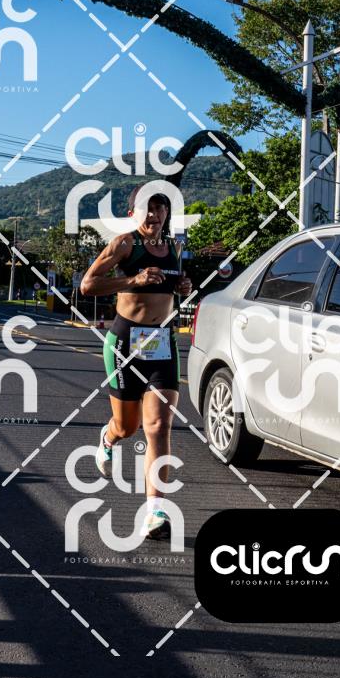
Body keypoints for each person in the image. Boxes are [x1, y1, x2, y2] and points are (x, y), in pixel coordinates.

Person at [80, 187, 192, 541]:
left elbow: (170, 288)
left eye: (160, 208)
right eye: (147, 209)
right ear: (133, 214)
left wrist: (182, 286)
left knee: (158, 426)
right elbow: (87, 285)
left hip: (162, 345)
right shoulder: (124, 244)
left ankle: (154, 512)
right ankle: (108, 437)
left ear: (167, 214)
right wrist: (133, 280)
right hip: (125, 343)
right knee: (128, 427)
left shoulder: (174, 247)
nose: (153, 215)